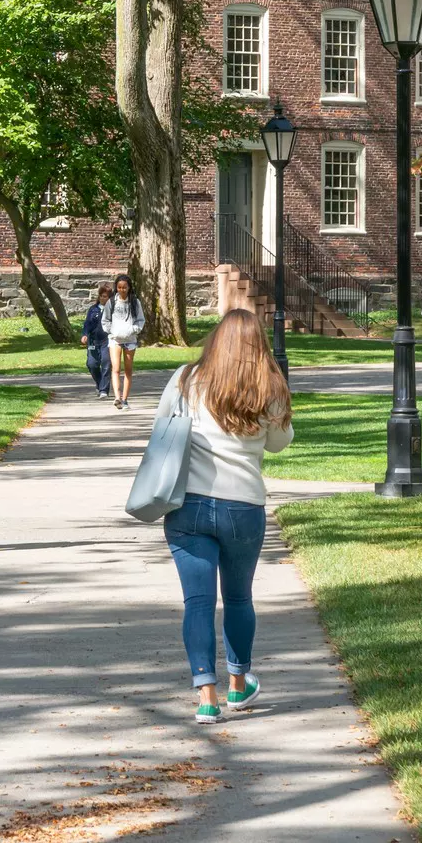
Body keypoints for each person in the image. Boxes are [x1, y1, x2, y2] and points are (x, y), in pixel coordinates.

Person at [154, 308, 293, 725]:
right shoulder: (268, 386)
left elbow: (161, 426)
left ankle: (206, 698)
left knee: (197, 603)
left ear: (216, 340)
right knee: (238, 597)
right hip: (243, 506)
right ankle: (238, 684)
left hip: (188, 505)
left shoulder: (185, 379)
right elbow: (279, 444)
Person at [106, 274, 146, 410]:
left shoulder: (135, 302)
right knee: (116, 368)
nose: (122, 290)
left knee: (128, 370)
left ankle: (125, 399)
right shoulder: (111, 302)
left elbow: (141, 320)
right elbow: (105, 320)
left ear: (129, 288)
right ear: (116, 288)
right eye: (119, 287)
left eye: (124, 287)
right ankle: (117, 397)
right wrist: (111, 331)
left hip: (130, 340)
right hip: (115, 339)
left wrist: (134, 330)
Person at [80, 282, 114, 399]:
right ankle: (99, 384)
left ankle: (104, 390)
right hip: (93, 341)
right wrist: (84, 334)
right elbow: (87, 324)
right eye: (102, 296)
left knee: (106, 363)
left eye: (106, 296)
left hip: (107, 340)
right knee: (92, 364)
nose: (104, 298)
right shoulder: (93, 309)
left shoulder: (112, 310)